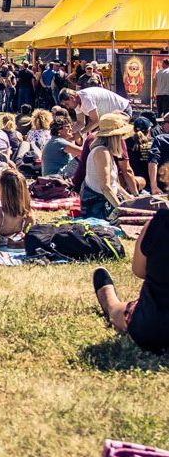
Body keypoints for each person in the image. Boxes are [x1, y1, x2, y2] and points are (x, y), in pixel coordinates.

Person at [92, 203, 169, 355]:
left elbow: (139, 270)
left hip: (153, 328)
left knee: (121, 310)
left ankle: (109, 301)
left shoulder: (159, 223)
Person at [80, 113, 134, 219]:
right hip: (98, 206)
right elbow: (105, 187)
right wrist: (121, 210)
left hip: (104, 202)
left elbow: (114, 184)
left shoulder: (106, 151)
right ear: (114, 136)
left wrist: (129, 198)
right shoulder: (102, 152)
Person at [59, 86, 131, 135]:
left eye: (67, 104)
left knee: (118, 141)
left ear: (72, 98)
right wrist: (69, 133)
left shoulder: (86, 98)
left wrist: (80, 133)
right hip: (111, 117)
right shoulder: (76, 102)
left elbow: (95, 121)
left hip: (122, 110)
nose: (67, 107)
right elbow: (80, 123)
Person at [147, 112, 169, 194]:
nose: (161, 126)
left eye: (164, 123)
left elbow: (153, 161)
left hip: (164, 188)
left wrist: (154, 186)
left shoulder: (160, 139)